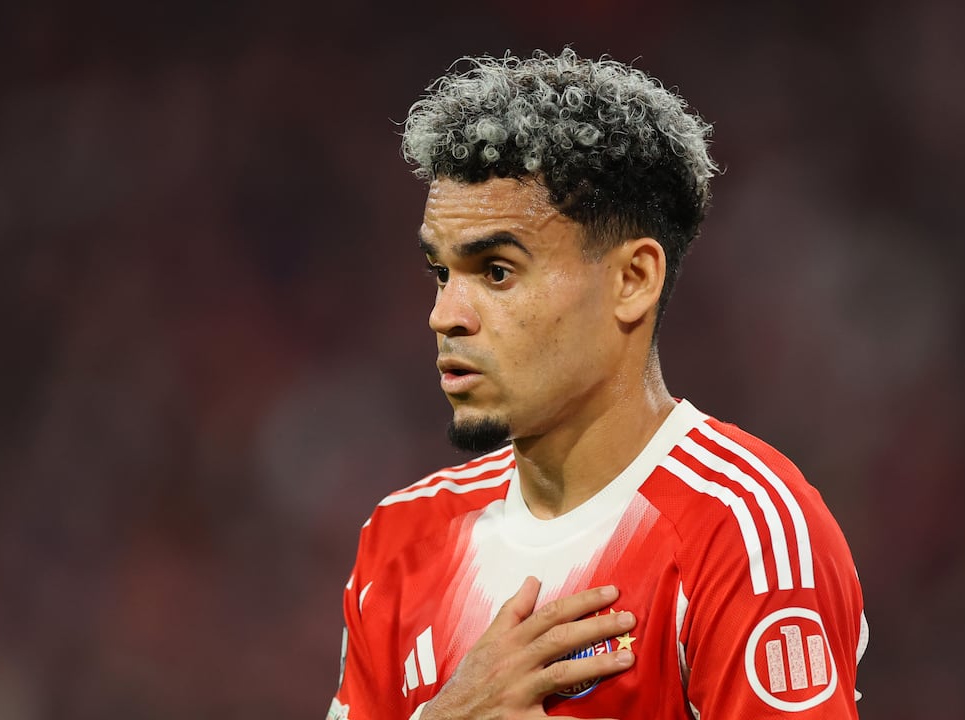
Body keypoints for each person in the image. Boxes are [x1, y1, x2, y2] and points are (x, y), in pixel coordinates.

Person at [328, 48, 868, 720]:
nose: (444, 316)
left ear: (632, 280)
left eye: (496, 271)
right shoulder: (401, 539)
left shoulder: (743, 530)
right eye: (441, 273)